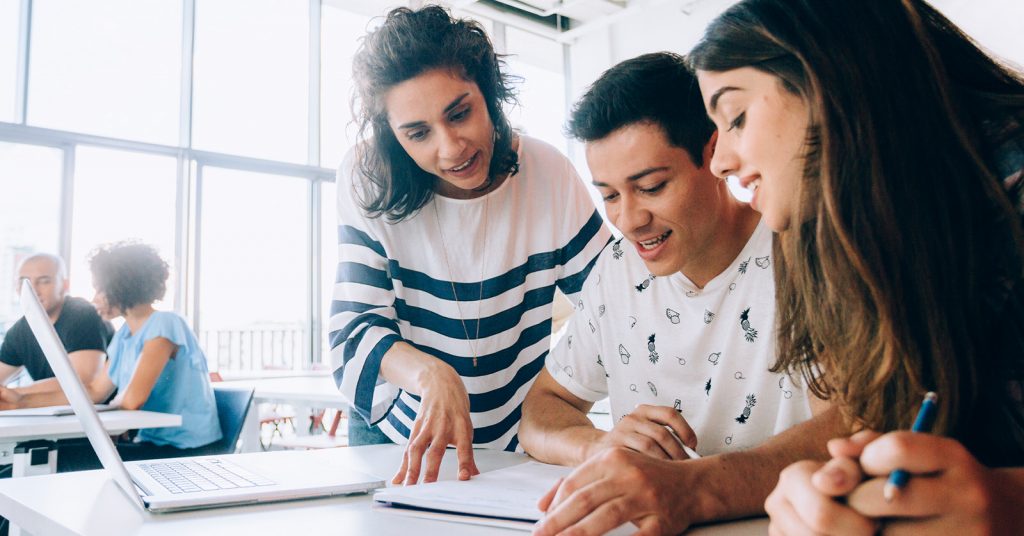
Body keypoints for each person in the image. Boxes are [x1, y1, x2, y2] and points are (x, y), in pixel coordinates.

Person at [688, 0, 1024, 533]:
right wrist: (844, 491)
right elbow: (880, 425)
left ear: (830, 78)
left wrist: (1009, 503)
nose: (721, 161)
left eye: (736, 118)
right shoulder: (848, 238)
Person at [523, 52, 844, 536]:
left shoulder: (803, 250)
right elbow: (542, 408)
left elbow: (849, 424)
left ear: (714, 154)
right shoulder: (615, 271)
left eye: (651, 187)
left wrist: (693, 484)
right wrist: (599, 446)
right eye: (609, 195)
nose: (629, 220)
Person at [330, 5, 610, 486]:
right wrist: (429, 374)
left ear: (490, 94)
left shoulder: (548, 173)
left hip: (515, 434)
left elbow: (617, 306)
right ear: (395, 138)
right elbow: (354, 333)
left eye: (460, 113)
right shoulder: (368, 177)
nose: (451, 148)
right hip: (397, 437)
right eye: (418, 133)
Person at [0, 243, 221, 467]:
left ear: (120, 287)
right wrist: (20, 401)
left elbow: (133, 399)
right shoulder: (124, 336)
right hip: (150, 443)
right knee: (54, 456)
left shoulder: (165, 324)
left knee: (59, 460)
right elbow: (95, 390)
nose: (94, 299)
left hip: (186, 450)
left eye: (99, 289)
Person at [0, 253, 110, 392]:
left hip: (108, 412)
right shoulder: (19, 331)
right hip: (55, 412)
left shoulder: (83, 314)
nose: (33, 290)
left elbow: (83, 380)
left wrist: (14, 394)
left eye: (44, 281)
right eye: (24, 282)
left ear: (64, 285)